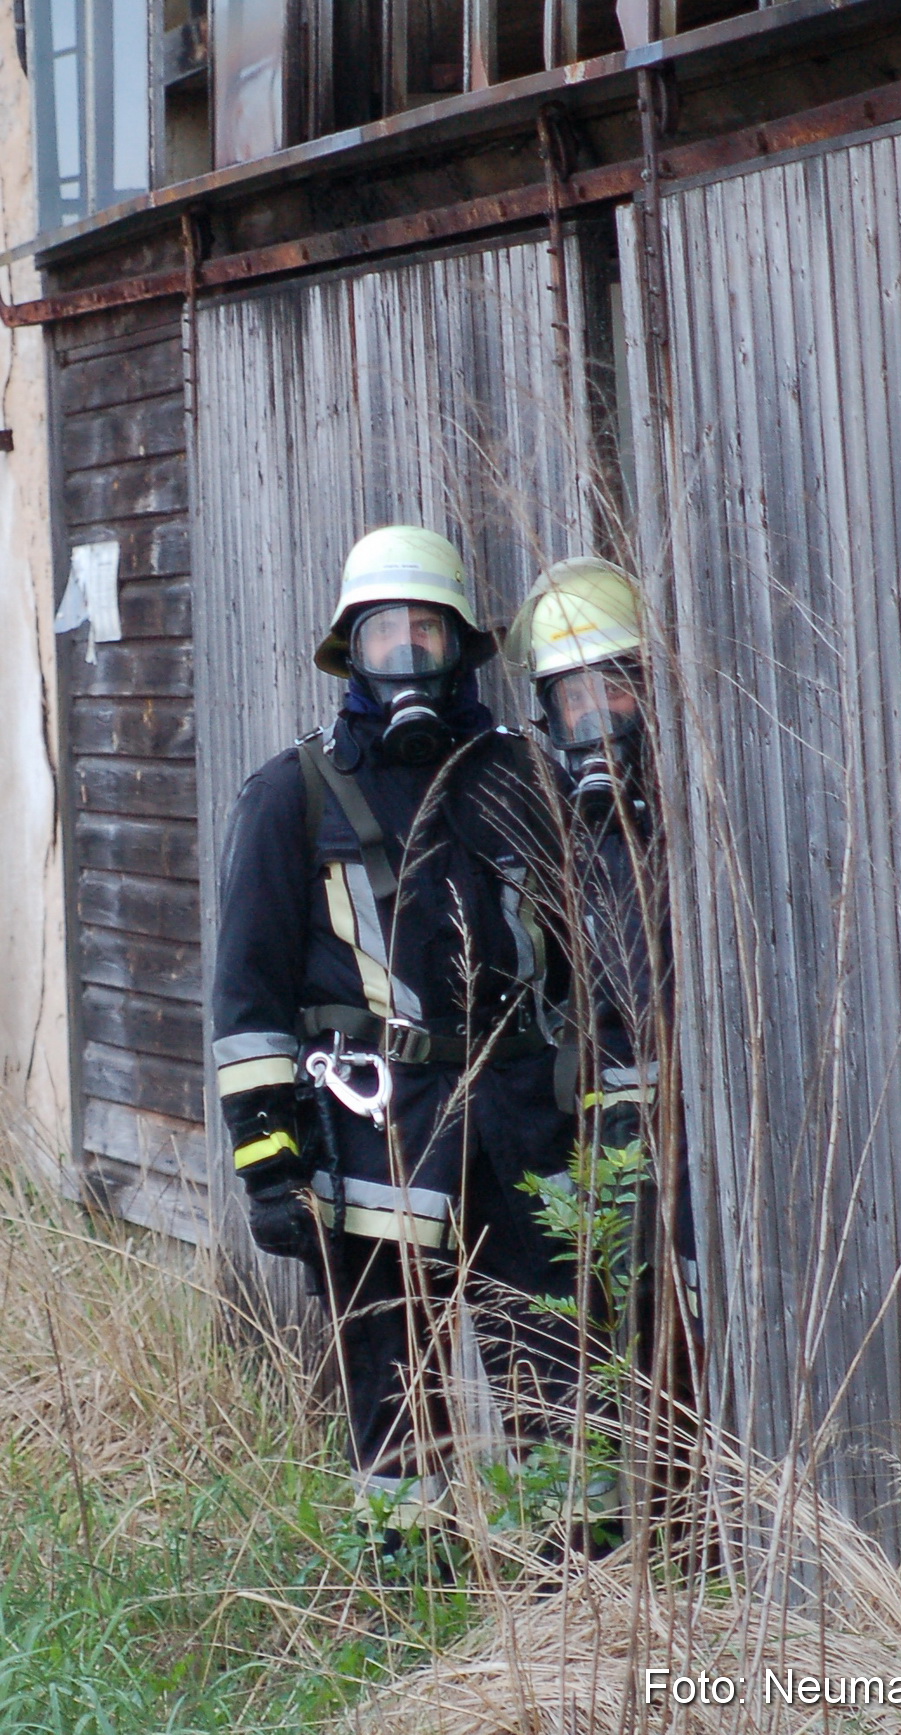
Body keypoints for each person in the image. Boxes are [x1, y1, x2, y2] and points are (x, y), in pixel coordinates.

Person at [212, 524, 579, 1527]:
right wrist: (270, 1166)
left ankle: (574, 1601)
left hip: (526, 1134)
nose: (408, 654)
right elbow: (246, 1004)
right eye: (385, 634)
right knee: (394, 1398)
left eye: (429, 632)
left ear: (464, 650)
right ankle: (408, 1604)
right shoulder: (294, 794)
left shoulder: (527, 780)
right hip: (374, 1140)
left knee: (559, 1375)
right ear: (350, 652)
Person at [505, 556, 700, 1369]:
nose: (595, 716)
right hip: (598, 1145)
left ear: (648, 692)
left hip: (697, 1133)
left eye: (611, 690)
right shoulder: (541, 834)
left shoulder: (700, 818)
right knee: (629, 1350)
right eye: (572, 698)